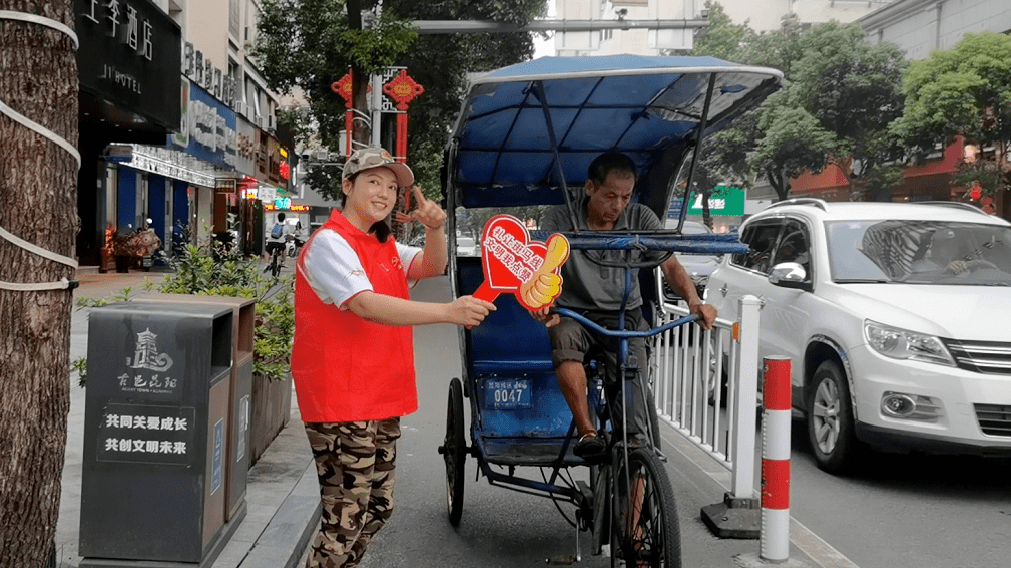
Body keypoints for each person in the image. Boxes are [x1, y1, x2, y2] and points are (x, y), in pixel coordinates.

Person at [290, 147, 496, 568]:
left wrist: (437, 228)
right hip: (342, 402)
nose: (384, 193)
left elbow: (430, 266)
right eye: (373, 182)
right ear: (347, 187)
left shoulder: (382, 244)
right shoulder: (329, 243)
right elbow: (364, 304)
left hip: (380, 396)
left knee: (377, 509)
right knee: (344, 519)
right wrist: (447, 313)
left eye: (391, 186)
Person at [530, 152, 717, 460]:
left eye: (625, 197)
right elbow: (542, 266)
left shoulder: (641, 217)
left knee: (636, 434)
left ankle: (635, 465)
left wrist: (695, 302)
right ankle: (587, 432)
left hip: (624, 316)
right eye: (610, 196)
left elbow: (670, 264)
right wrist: (541, 301)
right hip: (575, 314)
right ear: (590, 188)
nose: (617, 206)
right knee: (563, 338)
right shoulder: (560, 218)